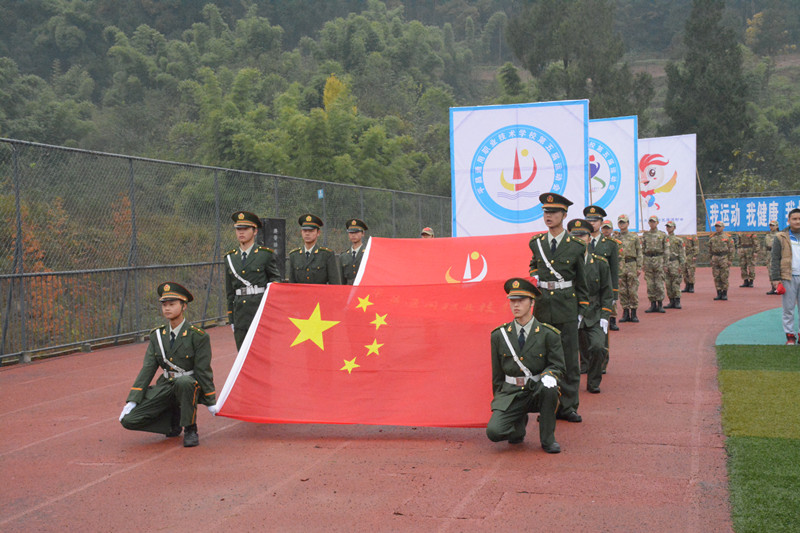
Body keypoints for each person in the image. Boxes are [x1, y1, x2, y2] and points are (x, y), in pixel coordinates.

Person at [119, 282, 215, 447]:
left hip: (189, 385)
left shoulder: (197, 336)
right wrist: (133, 400)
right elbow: (148, 368)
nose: (167, 308)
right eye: (164, 305)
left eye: (172, 304)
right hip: (166, 386)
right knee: (129, 420)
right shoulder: (157, 335)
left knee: (184, 382)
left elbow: (203, 370)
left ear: (184, 306)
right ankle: (172, 421)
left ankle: (190, 428)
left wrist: (211, 401)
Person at [486, 277, 565, 453]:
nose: (516, 305)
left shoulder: (548, 334)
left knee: (550, 389)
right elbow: (497, 375)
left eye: (521, 301)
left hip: (537, 389)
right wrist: (500, 400)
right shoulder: (499, 336)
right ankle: (518, 425)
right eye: (512, 301)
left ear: (531, 303)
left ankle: (548, 439)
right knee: (494, 432)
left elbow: (558, 365)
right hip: (512, 393)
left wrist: (550, 375)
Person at [528, 193, 588, 423]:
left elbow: (581, 281)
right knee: (541, 358)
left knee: (569, 359)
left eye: (553, 212)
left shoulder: (575, 246)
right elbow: (534, 264)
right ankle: (545, 404)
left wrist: (582, 310)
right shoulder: (537, 243)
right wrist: (534, 275)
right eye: (545, 212)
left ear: (564, 215)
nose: (548, 216)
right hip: (543, 307)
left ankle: (568, 406)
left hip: (566, 307)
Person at [225, 211, 282, 350]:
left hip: (259, 310)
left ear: (255, 231)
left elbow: (275, 283)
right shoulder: (230, 258)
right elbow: (230, 292)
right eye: (238, 229)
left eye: (245, 229)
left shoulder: (265, 255)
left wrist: (272, 312)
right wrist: (231, 318)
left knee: (263, 352)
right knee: (243, 354)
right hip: (240, 314)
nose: (241, 233)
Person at [570, 219, 613, 393]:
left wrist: (604, 316)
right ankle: (568, 386)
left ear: (589, 238)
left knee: (597, 347)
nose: (579, 239)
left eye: (582, 236)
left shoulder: (600, 263)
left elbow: (607, 292)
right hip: (571, 313)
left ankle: (593, 381)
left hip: (593, 313)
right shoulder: (565, 265)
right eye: (575, 236)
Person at [583, 206, 619, 331]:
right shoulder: (580, 242)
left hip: (604, 287)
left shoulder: (610, 244)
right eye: (589, 220)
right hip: (585, 287)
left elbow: (614, 270)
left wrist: (614, 294)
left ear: (601, 223)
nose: (592, 223)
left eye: (595, 220)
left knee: (601, 327)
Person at [769, 208, 800, 344]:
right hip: (788, 277)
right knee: (788, 308)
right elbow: (775, 258)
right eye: (794, 219)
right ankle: (790, 336)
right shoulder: (780, 237)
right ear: (788, 220)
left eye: (799, 219)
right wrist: (775, 279)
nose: (797, 221)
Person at [288, 214, 343, 284]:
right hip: (301, 294)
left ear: (318, 233)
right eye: (305, 231)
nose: (307, 233)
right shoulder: (294, 255)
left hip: (320, 294)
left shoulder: (326, 255)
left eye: (311, 231)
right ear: (301, 232)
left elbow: (334, 283)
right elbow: (292, 283)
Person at [616, 214, 643, 323]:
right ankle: (625, 312)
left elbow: (639, 252)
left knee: (632, 290)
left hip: (631, 264)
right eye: (620, 222)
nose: (622, 224)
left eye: (624, 222)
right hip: (620, 265)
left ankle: (634, 312)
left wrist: (639, 266)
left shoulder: (634, 237)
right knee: (622, 290)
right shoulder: (616, 238)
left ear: (628, 224)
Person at [642, 215, 667, 313]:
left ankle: (660, 304)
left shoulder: (662, 235)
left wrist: (666, 263)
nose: (652, 223)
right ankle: (652, 304)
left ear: (657, 223)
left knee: (659, 282)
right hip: (648, 259)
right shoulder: (645, 235)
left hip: (659, 259)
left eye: (654, 222)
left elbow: (666, 249)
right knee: (650, 283)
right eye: (650, 222)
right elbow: (642, 249)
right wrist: (643, 263)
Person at [709, 221, 735, 301]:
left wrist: (730, 259)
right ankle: (718, 292)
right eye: (716, 226)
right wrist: (710, 258)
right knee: (716, 276)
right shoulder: (712, 237)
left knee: (724, 276)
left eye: (719, 226)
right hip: (715, 258)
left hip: (724, 257)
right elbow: (710, 249)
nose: (717, 228)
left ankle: (724, 293)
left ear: (723, 227)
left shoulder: (727, 237)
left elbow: (731, 249)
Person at [663, 221, 686, 309]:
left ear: (674, 228)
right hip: (667, 263)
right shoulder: (664, 239)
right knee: (668, 283)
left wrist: (681, 265)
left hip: (675, 262)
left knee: (676, 282)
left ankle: (677, 301)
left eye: (670, 227)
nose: (668, 228)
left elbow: (682, 253)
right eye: (667, 227)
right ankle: (671, 301)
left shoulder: (678, 240)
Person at [340, 218, 368, 285]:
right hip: (348, 290)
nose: (353, 235)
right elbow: (342, 280)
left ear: (363, 234)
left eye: (356, 232)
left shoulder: (367, 253)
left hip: (364, 290)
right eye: (351, 232)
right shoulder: (343, 256)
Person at [765, 220, 780, 294]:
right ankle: (773, 287)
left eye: (773, 225)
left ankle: (779, 288)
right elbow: (766, 246)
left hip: (777, 254)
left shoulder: (780, 235)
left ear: (777, 226)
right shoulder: (767, 235)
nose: (771, 227)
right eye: (770, 225)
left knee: (777, 271)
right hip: (769, 254)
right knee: (770, 271)